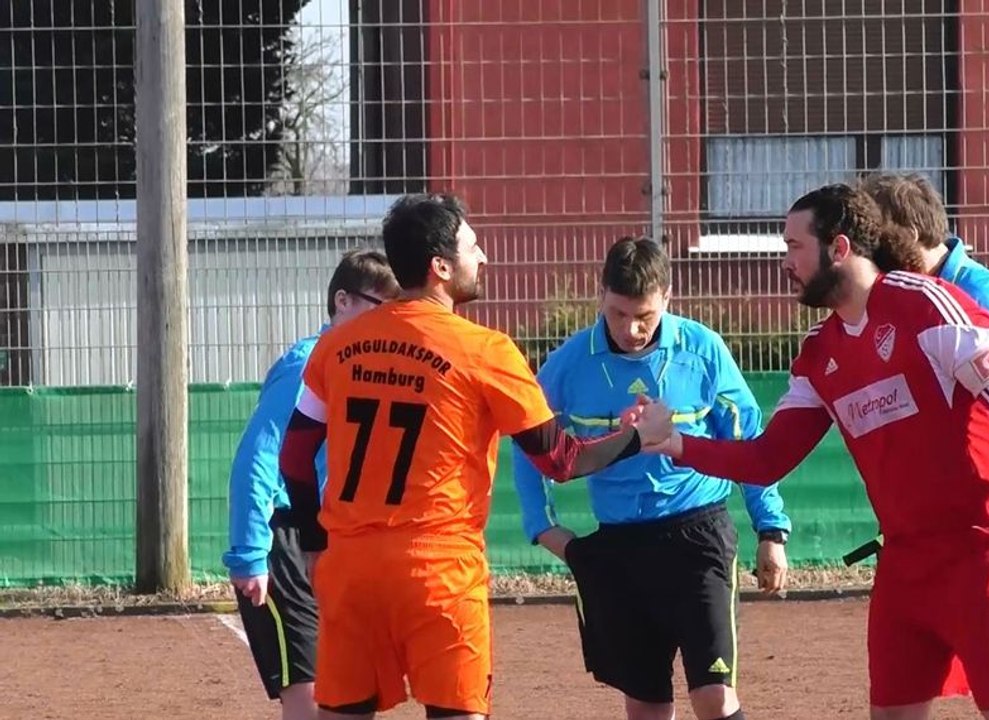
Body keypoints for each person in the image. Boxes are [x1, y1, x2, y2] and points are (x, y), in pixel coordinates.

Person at [642, 183, 989, 720]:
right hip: (905, 565)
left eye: (794, 246)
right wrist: (675, 443)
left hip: (986, 553)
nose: (785, 262)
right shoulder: (820, 352)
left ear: (839, 247)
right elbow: (767, 459)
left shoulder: (927, 304)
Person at [274, 193, 675, 720]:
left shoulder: (337, 345)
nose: (483, 257)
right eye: (472, 247)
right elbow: (561, 461)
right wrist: (639, 436)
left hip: (350, 566)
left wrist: (313, 540)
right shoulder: (485, 350)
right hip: (438, 568)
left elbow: (295, 455)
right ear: (440, 267)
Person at [511, 236, 791, 720]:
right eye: (618, 313)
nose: (631, 329)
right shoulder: (569, 363)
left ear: (667, 296)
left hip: (698, 536)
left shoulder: (702, 349)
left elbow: (748, 440)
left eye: (644, 315)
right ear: (601, 294)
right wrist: (542, 525)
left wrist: (771, 529)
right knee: (645, 705)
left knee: (714, 695)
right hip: (619, 545)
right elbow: (527, 441)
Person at [842, 172, 989, 563]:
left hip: (985, 525)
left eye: (876, 241)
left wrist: (975, 471)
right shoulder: (905, 297)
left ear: (910, 235)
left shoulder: (980, 295)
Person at [222, 248, 401, 720]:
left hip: (328, 541)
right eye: (380, 307)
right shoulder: (309, 363)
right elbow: (258, 456)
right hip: (285, 541)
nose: (389, 321)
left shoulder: (363, 368)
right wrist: (249, 553)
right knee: (310, 694)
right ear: (343, 300)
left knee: (346, 692)